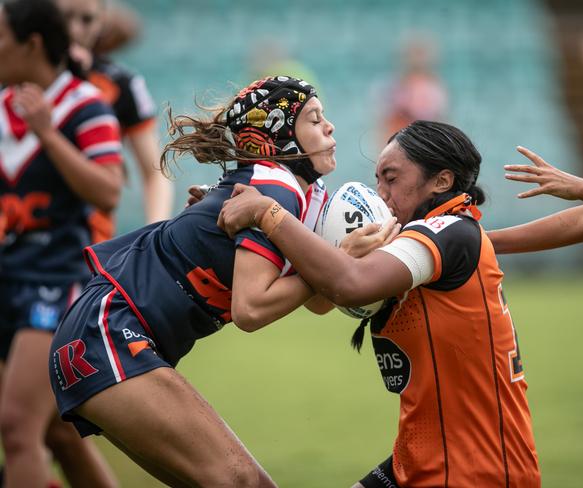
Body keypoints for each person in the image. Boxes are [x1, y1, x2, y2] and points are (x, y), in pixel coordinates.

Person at [48, 75, 395, 486]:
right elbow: (249, 309)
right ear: (278, 138)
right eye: (314, 118)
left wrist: (343, 265)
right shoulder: (276, 187)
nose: (330, 127)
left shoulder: (303, 194)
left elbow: (318, 300)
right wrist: (339, 260)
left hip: (103, 333)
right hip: (105, 331)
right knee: (245, 482)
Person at [218, 121, 542, 488]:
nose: (381, 194)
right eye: (378, 180)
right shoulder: (433, 237)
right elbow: (323, 298)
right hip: (422, 460)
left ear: (441, 181)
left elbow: (349, 284)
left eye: (391, 178)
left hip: (472, 472)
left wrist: (267, 213)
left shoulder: (446, 231)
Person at [0, 0, 122, 486]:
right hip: (7, 275)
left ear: (31, 44)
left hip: (54, 279)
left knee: (16, 427)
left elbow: (108, 191)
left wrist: (49, 135)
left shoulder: (84, 105)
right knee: (55, 431)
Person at [58, 0, 173, 230]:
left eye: (87, 19)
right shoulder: (16, 77)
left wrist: (155, 234)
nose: (74, 30)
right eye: (64, 17)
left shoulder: (121, 84)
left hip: (86, 240)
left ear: (102, 22)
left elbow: (155, 173)